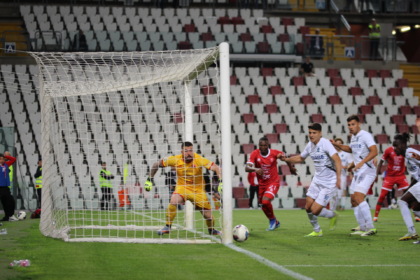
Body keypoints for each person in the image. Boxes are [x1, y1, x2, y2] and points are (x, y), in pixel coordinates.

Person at [145, 141, 222, 236]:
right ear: (182, 151)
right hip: (182, 188)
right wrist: (149, 179)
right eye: (186, 151)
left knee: (208, 216)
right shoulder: (175, 159)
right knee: (173, 201)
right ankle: (167, 227)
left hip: (197, 190)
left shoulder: (199, 159)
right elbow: (156, 164)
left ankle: (212, 230)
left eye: (190, 150)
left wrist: (221, 180)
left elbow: (215, 167)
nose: (189, 153)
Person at [280, 123, 341, 237]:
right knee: (307, 207)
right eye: (310, 133)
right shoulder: (310, 145)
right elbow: (301, 158)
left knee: (315, 210)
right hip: (317, 180)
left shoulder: (325, 143)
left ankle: (332, 215)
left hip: (329, 183)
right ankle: (317, 231)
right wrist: (287, 159)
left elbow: (337, 160)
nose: (311, 135)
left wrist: (338, 178)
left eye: (314, 133)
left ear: (320, 133)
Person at [331, 115, 378, 236]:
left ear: (358, 124)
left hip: (367, 171)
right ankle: (362, 227)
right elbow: (352, 150)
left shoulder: (365, 135)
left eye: (353, 124)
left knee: (358, 197)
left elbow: (374, 151)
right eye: (349, 125)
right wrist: (338, 146)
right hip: (358, 172)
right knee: (353, 199)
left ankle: (371, 228)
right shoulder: (353, 137)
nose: (350, 127)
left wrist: (361, 163)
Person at [245, 136, 297, 231]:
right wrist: (256, 169)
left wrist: (291, 168)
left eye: (265, 145)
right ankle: (275, 221)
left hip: (273, 182)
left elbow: (285, 159)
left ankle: (272, 220)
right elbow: (247, 168)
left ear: (268, 145)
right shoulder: (255, 154)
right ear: (259, 146)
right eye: (261, 145)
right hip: (262, 184)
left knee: (265, 201)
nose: (263, 147)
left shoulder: (274, 153)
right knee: (262, 204)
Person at [373, 134, 409, 222]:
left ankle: (416, 215)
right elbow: (381, 162)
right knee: (382, 195)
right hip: (390, 176)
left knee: (409, 195)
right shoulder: (388, 150)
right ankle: (375, 216)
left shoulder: (405, 151)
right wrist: (376, 175)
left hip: (401, 176)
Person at [396, 134, 420, 242]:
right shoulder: (407, 156)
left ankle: (411, 231)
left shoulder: (410, 153)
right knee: (415, 207)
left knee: (402, 202)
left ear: (402, 145)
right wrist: (408, 189)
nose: (394, 148)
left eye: (396, 146)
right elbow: (416, 176)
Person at [330, 138, 353, 211]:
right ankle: (332, 208)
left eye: (340, 144)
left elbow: (350, 165)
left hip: (342, 175)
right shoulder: (331, 153)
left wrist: (344, 167)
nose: (338, 145)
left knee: (341, 192)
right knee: (332, 192)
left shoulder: (346, 154)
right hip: (332, 175)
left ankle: (342, 206)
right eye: (336, 143)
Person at [0, 152, 18, 221]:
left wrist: (5, 156)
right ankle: (9, 216)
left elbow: (13, 159)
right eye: (0, 159)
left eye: (3, 159)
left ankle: (8, 216)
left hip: (5, 187)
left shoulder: (6, 164)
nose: (2, 160)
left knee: (8, 201)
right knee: (6, 201)